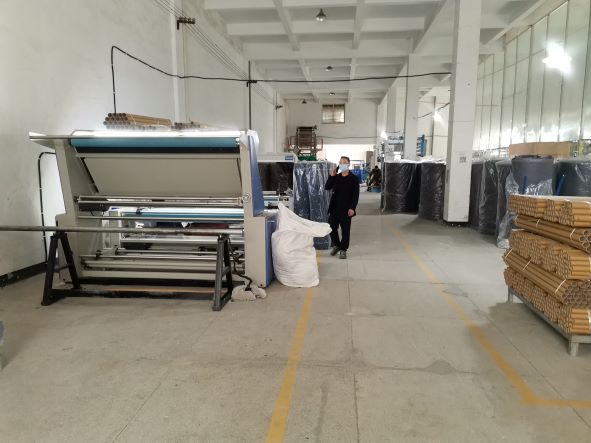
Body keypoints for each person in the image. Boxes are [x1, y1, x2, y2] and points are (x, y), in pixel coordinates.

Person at [324, 156, 360, 259]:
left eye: (344, 162)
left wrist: (352, 208)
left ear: (348, 164)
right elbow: (327, 187)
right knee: (331, 228)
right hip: (334, 208)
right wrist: (332, 176)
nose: (342, 164)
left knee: (345, 231)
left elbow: (355, 195)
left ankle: (343, 249)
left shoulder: (353, 179)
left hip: (346, 209)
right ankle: (337, 245)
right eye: (340, 162)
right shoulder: (336, 177)